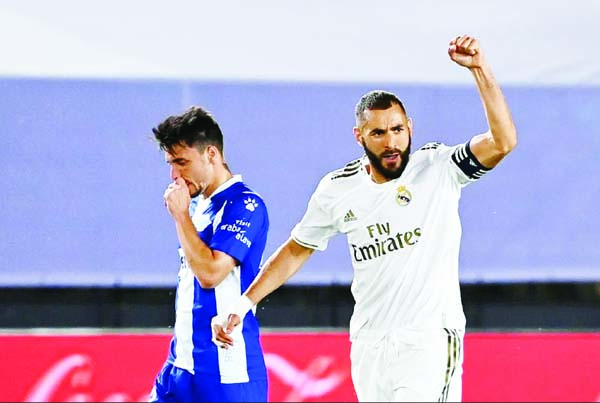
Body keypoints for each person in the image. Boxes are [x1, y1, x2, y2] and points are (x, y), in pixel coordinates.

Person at [212, 35, 517, 402]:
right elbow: (297, 249)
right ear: (359, 136)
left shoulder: (437, 168)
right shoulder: (338, 190)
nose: (391, 142)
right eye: (378, 133)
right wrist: (244, 303)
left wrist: (480, 69)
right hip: (369, 346)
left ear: (410, 129)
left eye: (397, 130)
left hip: (428, 341)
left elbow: (503, 141)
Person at [148, 106, 270, 402]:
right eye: (170, 164)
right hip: (179, 367)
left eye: (182, 162)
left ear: (211, 155)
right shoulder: (197, 206)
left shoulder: (246, 205)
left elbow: (211, 274)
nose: (174, 175)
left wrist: (180, 218)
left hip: (226, 373)